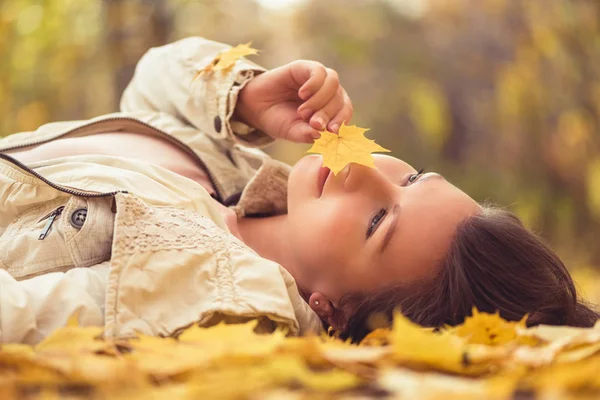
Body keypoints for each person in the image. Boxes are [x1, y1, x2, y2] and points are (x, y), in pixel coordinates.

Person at [0, 37, 597, 345]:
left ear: (333, 311)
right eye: (412, 178)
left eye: (376, 224)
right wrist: (242, 97)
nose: (363, 171)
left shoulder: (212, 286)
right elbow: (152, 83)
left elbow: (28, 318)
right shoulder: (230, 171)